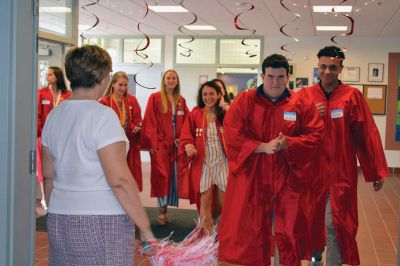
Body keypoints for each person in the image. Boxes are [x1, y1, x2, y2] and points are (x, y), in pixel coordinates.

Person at [41, 45, 155, 265]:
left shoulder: (55, 115)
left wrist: (55, 211)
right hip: (101, 219)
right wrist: (145, 229)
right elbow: (119, 180)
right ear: (102, 77)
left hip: (59, 216)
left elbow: (48, 175)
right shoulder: (103, 116)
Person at [218, 54, 324, 266]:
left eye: (280, 77)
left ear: (288, 76)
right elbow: (232, 133)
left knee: (287, 230)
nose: (275, 82)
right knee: (252, 230)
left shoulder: (300, 103)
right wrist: (262, 147)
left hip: (287, 179)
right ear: (262, 76)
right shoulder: (245, 101)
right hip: (253, 178)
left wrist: (290, 144)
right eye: (271, 76)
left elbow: (315, 135)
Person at [301, 46, 389, 266]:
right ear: (317, 68)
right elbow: (290, 128)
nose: (327, 71)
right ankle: (315, 258)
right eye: (323, 67)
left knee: (336, 222)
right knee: (313, 220)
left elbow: (367, 134)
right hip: (311, 173)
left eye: (333, 67)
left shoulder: (352, 96)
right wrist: (310, 115)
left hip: (341, 172)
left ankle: (334, 263)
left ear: (340, 68)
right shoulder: (305, 96)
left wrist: (376, 170)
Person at [141, 69, 189, 225]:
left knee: (174, 177)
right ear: (163, 80)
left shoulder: (180, 100)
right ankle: (162, 212)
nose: (171, 81)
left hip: (176, 144)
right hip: (160, 144)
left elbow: (188, 121)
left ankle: (167, 209)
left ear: (177, 81)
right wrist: (152, 143)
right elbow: (149, 120)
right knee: (162, 177)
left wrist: (182, 139)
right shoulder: (155, 98)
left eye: (174, 78)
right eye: (168, 78)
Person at [179, 81, 228, 235]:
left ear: (219, 95)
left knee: (223, 202)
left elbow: (240, 130)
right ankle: (206, 240)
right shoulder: (195, 115)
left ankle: (216, 226)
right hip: (203, 162)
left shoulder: (226, 115)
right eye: (205, 94)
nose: (208, 97)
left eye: (212, 94)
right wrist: (188, 147)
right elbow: (185, 137)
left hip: (222, 162)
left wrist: (226, 107)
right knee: (205, 199)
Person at [99, 71, 143, 191]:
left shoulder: (131, 100)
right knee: (113, 173)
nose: (123, 88)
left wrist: (136, 127)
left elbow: (138, 118)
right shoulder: (104, 101)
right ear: (113, 84)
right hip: (111, 145)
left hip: (129, 143)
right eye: (120, 85)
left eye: (125, 85)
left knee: (129, 173)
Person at [37, 66, 71, 210]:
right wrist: (39, 132)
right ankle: (48, 201)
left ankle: (64, 197)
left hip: (63, 137)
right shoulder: (41, 93)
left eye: (50, 75)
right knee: (47, 170)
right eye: (47, 75)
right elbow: (38, 115)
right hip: (46, 137)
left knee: (62, 167)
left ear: (57, 76)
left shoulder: (67, 94)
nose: (47, 77)